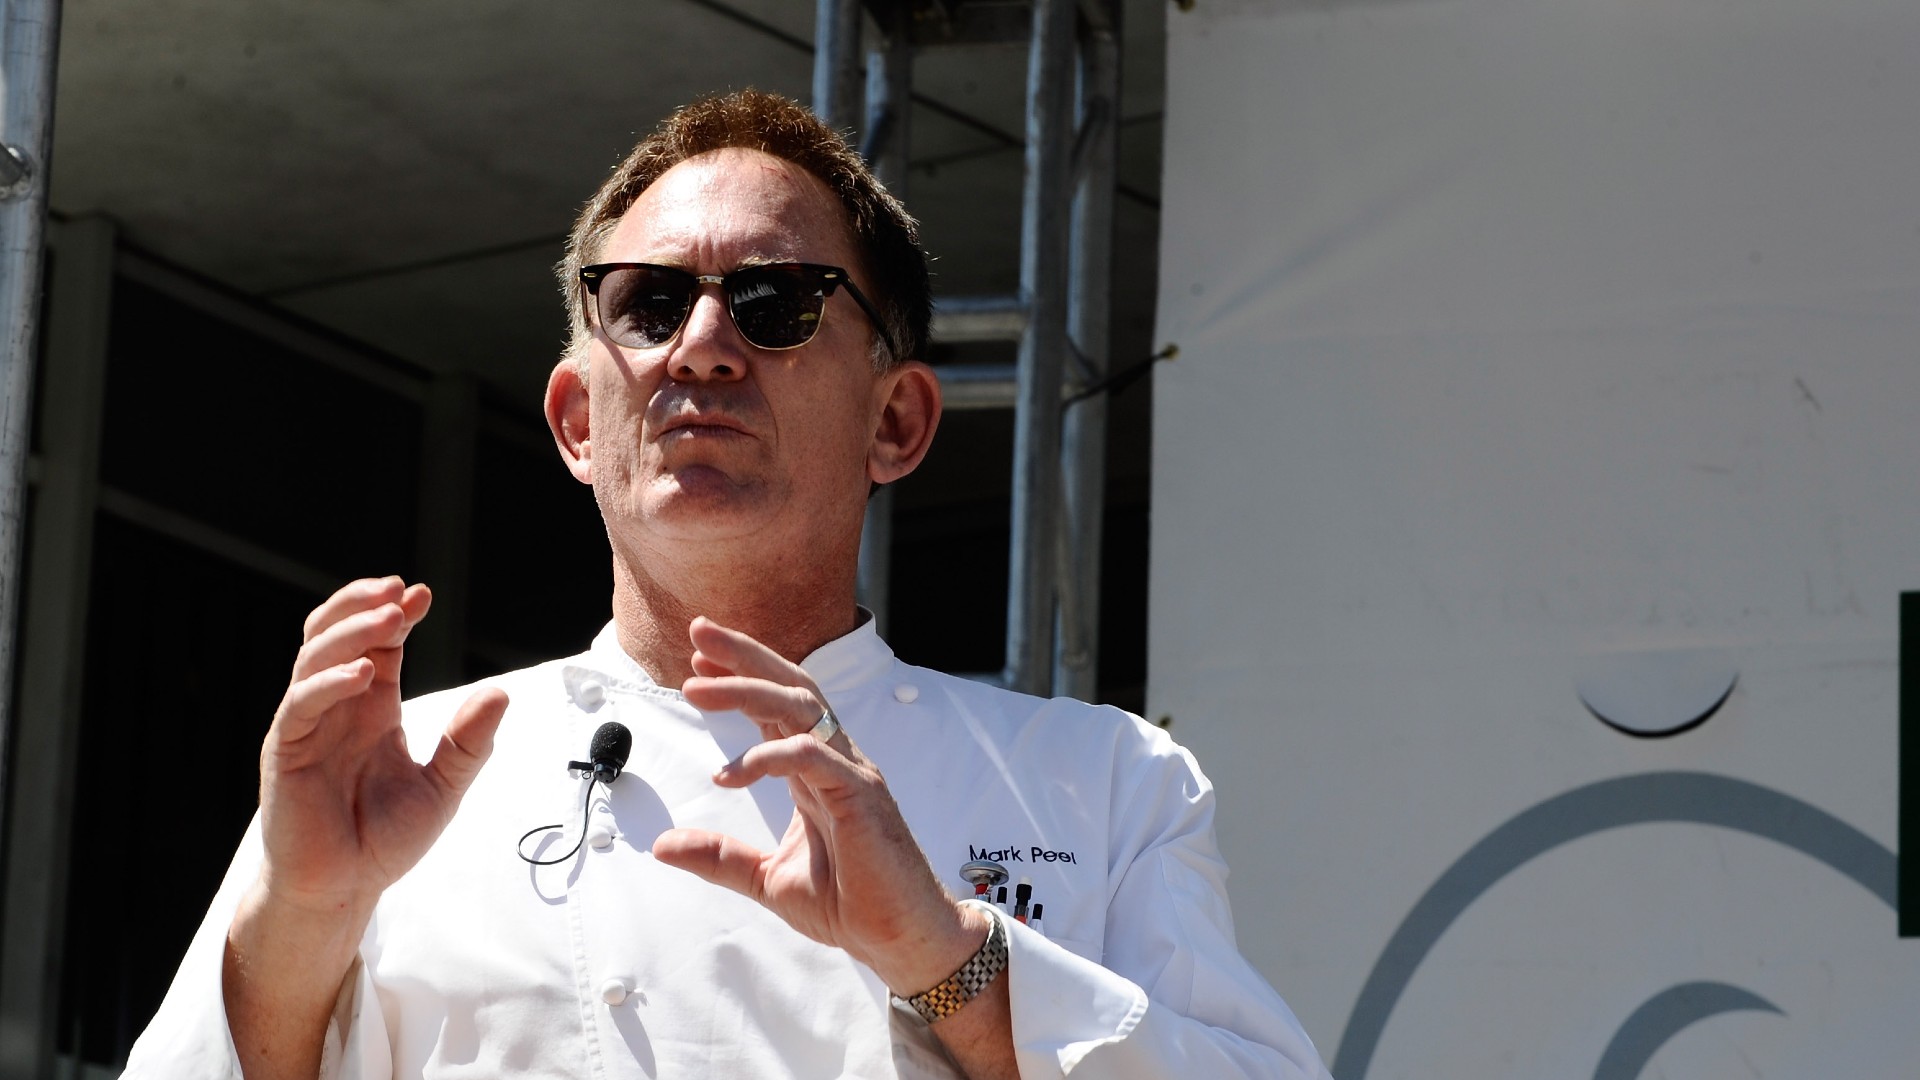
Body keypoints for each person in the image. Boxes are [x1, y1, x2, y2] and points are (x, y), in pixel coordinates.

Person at [124, 90, 1330, 1079]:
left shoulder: (1107, 783)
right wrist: (300, 924)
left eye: (775, 303)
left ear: (898, 420)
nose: (703, 344)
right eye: (649, 303)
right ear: (576, 421)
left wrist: (945, 957)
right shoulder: (396, 768)